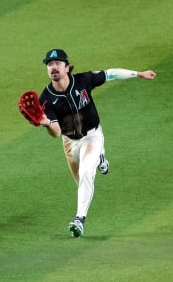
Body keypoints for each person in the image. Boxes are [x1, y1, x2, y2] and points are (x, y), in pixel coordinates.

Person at [34, 49, 156, 237]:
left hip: (92, 136)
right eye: (50, 65)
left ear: (67, 67)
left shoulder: (83, 80)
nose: (53, 67)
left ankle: (79, 219)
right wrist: (46, 123)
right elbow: (57, 133)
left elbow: (110, 74)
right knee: (81, 181)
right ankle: (100, 159)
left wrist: (138, 74)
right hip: (70, 143)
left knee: (86, 173)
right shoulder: (46, 99)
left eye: (58, 63)